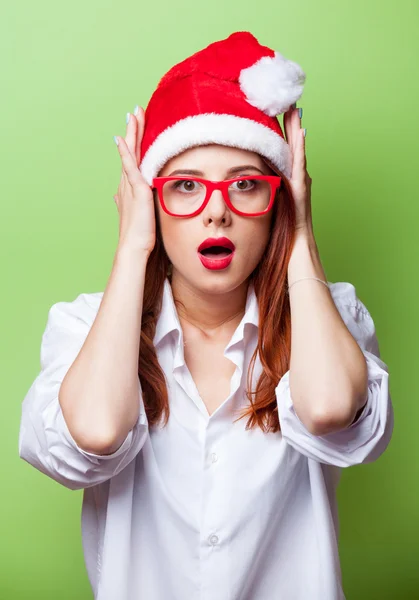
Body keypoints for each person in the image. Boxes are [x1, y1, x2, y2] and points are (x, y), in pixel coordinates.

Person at [18, 31, 394, 600]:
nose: (216, 211)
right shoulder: (86, 327)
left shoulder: (327, 319)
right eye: (185, 186)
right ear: (150, 200)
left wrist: (299, 231)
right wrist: (132, 249)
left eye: (245, 185)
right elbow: (94, 432)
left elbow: (329, 408)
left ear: (277, 199)